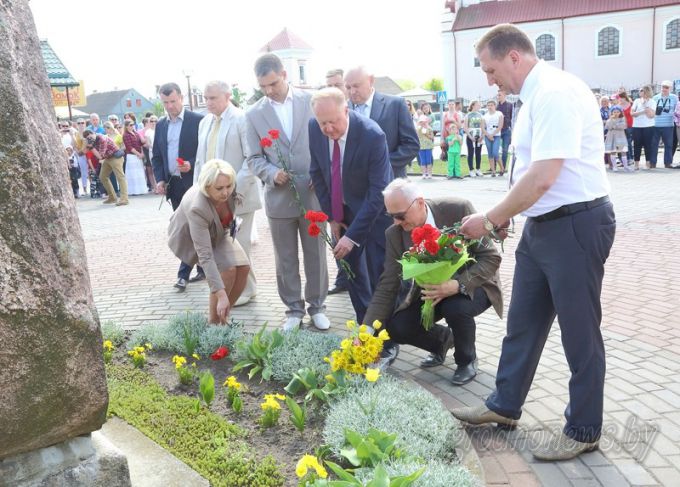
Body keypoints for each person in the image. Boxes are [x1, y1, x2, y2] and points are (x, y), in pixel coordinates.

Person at [451, 23, 616, 462]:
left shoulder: (555, 92)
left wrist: (490, 219)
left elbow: (544, 176)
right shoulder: (532, 97)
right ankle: (503, 406)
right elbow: (528, 172)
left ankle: (584, 428)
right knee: (522, 323)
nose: (488, 79)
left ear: (514, 58)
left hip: (576, 226)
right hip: (544, 226)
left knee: (580, 333)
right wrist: (507, 216)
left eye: (489, 69)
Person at [364, 179, 502, 384]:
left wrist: (458, 285)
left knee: (455, 308)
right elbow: (388, 284)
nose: (396, 222)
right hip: (432, 290)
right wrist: (366, 330)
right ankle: (444, 342)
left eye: (400, 216)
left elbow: (491, 257)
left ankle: (466, 360)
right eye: (391, 216)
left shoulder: (458, 210)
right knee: (398, 326)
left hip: (474, 283)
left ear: (419, 203)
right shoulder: (395, 234)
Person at [245, 53, 330, 332]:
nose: (269, 91)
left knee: (316, 254)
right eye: (263, 87)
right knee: (285, 258)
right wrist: (271, 173)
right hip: (278, 197)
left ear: (284, 74)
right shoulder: (254, 113)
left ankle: (318, 306)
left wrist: (324, 173)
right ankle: (293, 309)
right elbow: (253, 157)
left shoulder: (312, 101)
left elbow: (329, 140)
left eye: (273, 84)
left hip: (313, 193)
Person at [308, 88, 393, 324]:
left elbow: (379, 192)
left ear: (346, 110)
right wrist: (333, 218)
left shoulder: (372, 134)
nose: (328, 129)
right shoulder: (314, 128)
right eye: (322, 122)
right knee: (353, 276)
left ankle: (389, 340)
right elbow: (317, 172)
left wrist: (352, 236)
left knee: (379, 278)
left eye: (333, 122)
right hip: (341, 214)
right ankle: (366, 331)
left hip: (374, 215)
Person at [194, 80, 262, 307]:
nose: (208, 102)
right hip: (212, 199)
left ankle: (244, 289)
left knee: (239, 244)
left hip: (238, 197)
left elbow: (250, 160)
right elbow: (200, 161)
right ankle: (246, 288)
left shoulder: (242, 119)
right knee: (224, 247)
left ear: (227, 96)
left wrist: (230, 191)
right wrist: (199, 191)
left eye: (212, 98)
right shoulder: (204, 122)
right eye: (205, 98)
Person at [167, 159, 250, 324]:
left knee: (244, 267)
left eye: (229, 186)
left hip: (219, 230)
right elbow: (205, 256)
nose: (226, 192)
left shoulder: (227, 187)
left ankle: (223, 317)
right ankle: (213, 325)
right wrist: (221, 294)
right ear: (206, 187)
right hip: (190, 236)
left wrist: (226, 300)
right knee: (228, 270)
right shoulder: (198, 207)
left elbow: (228, 212)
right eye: (219, 189)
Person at [151, 82, 204, 292]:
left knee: (189, 226)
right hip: (173, 184)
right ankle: (203, 267)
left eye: (173, 101)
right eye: (165, 103)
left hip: (193, 183)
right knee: (186, 228)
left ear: (181, 98)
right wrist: (160, 179)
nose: (170, 106)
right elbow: (157, 156)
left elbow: (205, 150)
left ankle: (183, 274)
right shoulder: (162, 125)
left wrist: (191, 163)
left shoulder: (197, 121)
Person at [344, 66, 419, 178]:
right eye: (348, 87)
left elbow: (411, 145)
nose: (352, 91)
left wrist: (380, 164)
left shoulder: (395, 105)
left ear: (371, 81)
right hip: (354, 187)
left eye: (356, 86)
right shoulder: (343, 109)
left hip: (390, 183)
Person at [83, 129, 129, 206]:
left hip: (115, 157)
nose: (90, 139)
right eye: (88, 138)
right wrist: (86, 144)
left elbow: (100, 157)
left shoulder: (102, 138)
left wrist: (91, 147)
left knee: (120, 177)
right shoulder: (92, 141)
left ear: (94, 133)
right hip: (107, 158)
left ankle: (124, 199)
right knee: (102, 177)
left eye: (90, 137)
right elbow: (83, 152)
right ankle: (112, 197)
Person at [651, 80, 678, 168]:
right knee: (654, 145)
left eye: (666, 87)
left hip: (669, 125)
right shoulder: (655, 98)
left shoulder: (674, 98)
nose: (664, 89)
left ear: (670, 88)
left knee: (669, 145)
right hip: (656, 125)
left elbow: (677, 110)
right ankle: (652, 163)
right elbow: (651, 110)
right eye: (663, 87)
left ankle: (668, 163)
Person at [631, 85, 656, 170]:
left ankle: (648, 163)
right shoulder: (636, 101)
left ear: (646, 92)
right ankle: (636, 164)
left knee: (648, 145)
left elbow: (651, 116)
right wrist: (643, 111)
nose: (640, 92)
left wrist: (645, 106)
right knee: (637, 145)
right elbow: (632, 114)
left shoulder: (652, 102)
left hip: (648, 126)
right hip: (637, 126)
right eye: (640, 90)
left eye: (641, 90)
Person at [122, 120, 148, 195]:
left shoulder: (136, 133)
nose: (132, 126)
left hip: (139, 155)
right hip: (132, 156)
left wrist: (142, 153)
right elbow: (129, 147)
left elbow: (140, 143)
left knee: (139, 173)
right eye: (130, 125)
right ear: (126, 126)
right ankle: (133, 191)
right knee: (133, 174)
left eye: (133, 124)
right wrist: (138, 154)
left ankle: (141, 190)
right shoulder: (125, 135)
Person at [604, 106, 630, 172]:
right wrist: (613, 122)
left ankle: (625, 166)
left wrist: (614, 126)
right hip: (612, 137)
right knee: (613, 151)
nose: (616, 113)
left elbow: (623, 126)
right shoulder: (609, 120)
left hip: (620, 137)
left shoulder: (623, 119)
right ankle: (614, 166)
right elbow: (608, 127)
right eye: (614, 112)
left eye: (617, 112)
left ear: (620, 112)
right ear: (612, 112)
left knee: (623, 151)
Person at [482, 100, 504, 176]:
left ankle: (502, 168)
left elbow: (500, 126)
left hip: (496, 135)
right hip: (487, 136)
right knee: (490, 154)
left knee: (495, 153)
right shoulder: (485, 116)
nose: (490, 107)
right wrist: (488, 135)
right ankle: (493, 171)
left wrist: (493, 134)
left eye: (491, 105)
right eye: (488, 105)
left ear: (495, 106)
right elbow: (483, 128)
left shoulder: (499, 114)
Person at [464, 101, 484, 177]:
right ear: (473, 105)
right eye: (477, 105)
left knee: (478, 153)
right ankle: (471, 170)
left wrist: (482, 136)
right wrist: (470, 136)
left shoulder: (480, 115)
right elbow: (465, 127)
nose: (479, 106)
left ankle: (478, 169)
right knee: (471, 153)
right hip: (470, 137)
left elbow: (483, 127)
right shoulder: (468, 115)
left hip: (479, 136)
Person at [496, 89, 513, 170]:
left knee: (505, 150)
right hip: (497, 131)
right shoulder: (496, 106)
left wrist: (511, 129)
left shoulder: (510, 105)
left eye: (500, 95)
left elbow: (512, 118)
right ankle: (494, 167)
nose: (498, 97)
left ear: (504, 95)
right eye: (497, 95)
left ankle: (503, 167)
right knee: (495, 150)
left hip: (506, 130)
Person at [416, 115, 434, 179]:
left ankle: (429, 173)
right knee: (423, 161)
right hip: (421, 147)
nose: (423, 123)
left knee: (428, 160)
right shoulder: (418, 129)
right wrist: (420, 127)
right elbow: (417, 136)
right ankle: (424, 173)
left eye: (424, 122)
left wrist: (426, 134)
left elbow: (432, 137)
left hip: (428, 146)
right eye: (421, 122)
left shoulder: (429, 128)